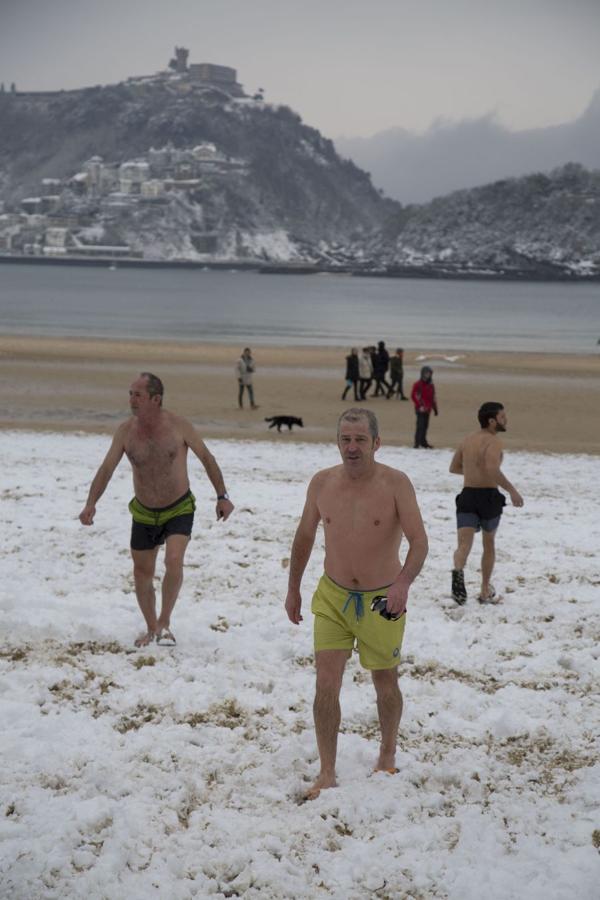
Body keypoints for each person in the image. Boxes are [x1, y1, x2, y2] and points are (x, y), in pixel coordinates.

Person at [285, 408, 428, 799]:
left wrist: (402, 584)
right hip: (332, 596)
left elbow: (419, 542)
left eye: (360, 440)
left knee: (385, 681)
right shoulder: (321, 483)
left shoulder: (397, 484)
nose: (352, 447)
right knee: (326, 682)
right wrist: (293, 587)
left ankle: (387, 752)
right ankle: (327, 772)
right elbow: (304, 537)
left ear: (376, 443)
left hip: (383, 599)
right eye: (345, 439)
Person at [79, 373, 234, 647]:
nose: (131, 400)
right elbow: (106, 469)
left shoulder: (179, 426)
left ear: (156, 399)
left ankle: (165, 621)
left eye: (137, 395)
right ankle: (152, 628)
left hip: (179, 507)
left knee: (173, 560)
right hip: (144, 512)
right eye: (130, 394)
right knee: (142, 573)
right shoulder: (126, 432)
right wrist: (91, 503)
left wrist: (222, 495)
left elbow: (207, 458)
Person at [449, 402, 524, 605]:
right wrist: (512, 490)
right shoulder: (494, 441)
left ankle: (457, 571)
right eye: (502, 417)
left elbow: (454, 467)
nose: (505, 420)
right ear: (492, 421)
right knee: (488, 543)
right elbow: (492, 468)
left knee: (463, 545)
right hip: (489, 497)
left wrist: (473, 472)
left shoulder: (468, 440)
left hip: (468, 496)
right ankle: (484, 591)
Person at [410, 365, 438, 448]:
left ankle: (423, 442)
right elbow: (413, 396)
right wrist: (419, 405)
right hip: (420, 409)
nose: (428, 375)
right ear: (422, 374)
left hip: (428, 409)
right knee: (420, 426)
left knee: (425, 426)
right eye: (426, 374)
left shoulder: (431, 385)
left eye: (429, 374)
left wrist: (435, 408)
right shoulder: (418, 384)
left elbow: (433, 397)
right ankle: (417, 443)